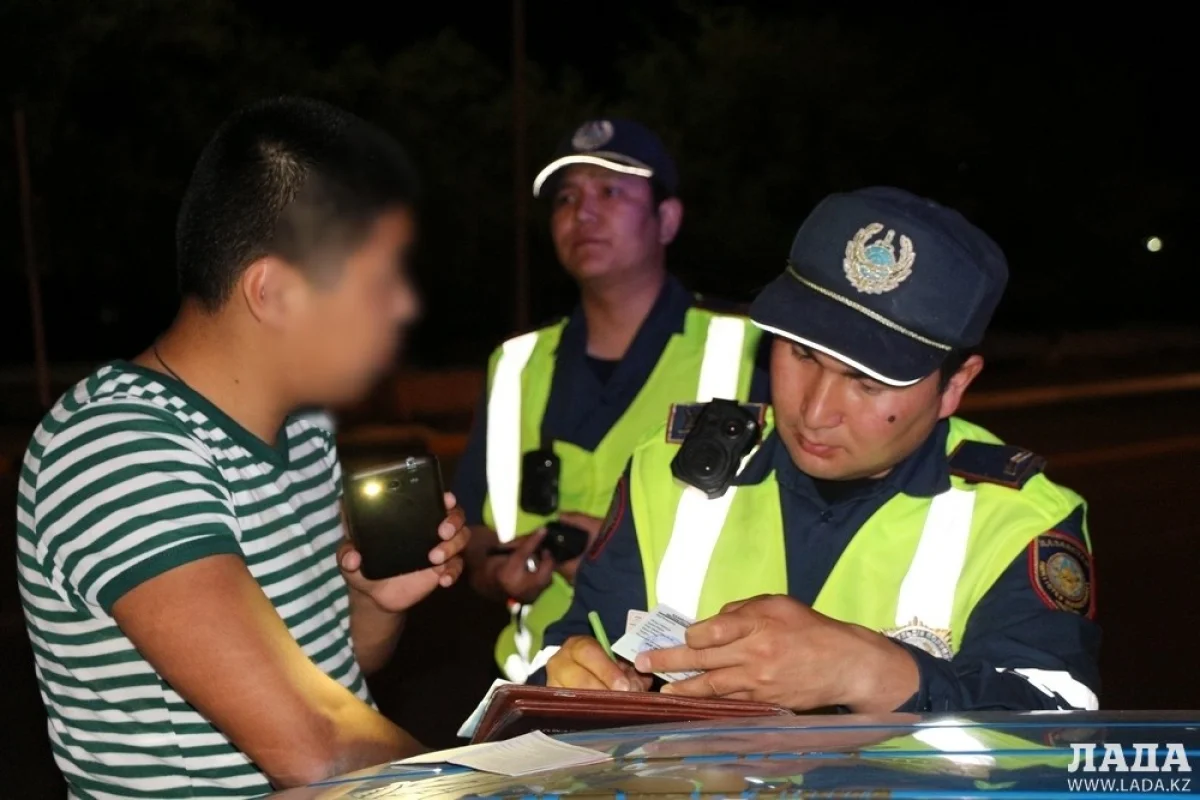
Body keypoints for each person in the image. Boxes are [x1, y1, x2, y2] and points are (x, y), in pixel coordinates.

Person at [16, 97, 470, 799]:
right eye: (376, 283)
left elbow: (338, 676)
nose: (402, 307)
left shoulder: (304, 430)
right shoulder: (118, 449)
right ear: (273, 292)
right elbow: (315, 746)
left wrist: (377, 602)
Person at [534, 186, 1101, 713]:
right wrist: (567, 677)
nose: (815, 410)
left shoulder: (1019, 521)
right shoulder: (666, 472)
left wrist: (874, 675)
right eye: (802, 355)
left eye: (867, 381)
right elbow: (569, 648)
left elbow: (1059, 736)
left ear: (954, 384)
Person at [456, 118, 769, 683]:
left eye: (612, 192)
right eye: (566, 197)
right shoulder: (515, 365)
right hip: (543, 690)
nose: (584, 213)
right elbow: (475, 537)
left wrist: (611, 556)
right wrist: (496, 573)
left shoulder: (752, 351)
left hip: (695, 694)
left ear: (667, 220)